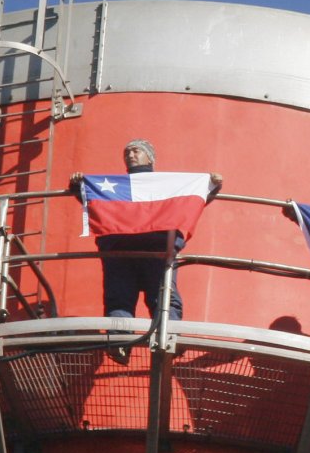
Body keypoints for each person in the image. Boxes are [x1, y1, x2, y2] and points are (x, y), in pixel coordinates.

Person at [70, 139, 222, 362]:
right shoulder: (114, 187)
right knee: (119, 299)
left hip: (156, 250)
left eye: (136, 151)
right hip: (123, 252)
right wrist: (78, 186)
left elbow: (191, 200)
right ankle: (120, 343)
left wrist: (213, 186)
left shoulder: (165, 185)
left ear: (150, 157)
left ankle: (169, 338)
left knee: (163, 297)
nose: (130, 155)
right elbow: (95, 203)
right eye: (127, 152)